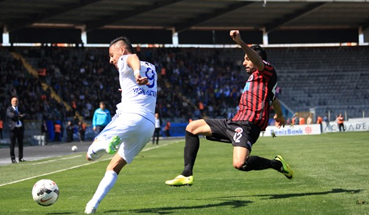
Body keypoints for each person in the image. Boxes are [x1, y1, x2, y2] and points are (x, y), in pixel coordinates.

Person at [165, 30, 293, 187]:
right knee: (192, 127)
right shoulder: (257, 81)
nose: (244, 63)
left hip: (248, 125)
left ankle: (277, 164)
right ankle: (187, 173)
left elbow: (258, 63)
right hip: (234, 121)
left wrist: (240, 42)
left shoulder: (267, 70)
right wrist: (279, 115)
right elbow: (274, 100)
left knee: (240, 164)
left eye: (247, 59)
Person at [84, 36, 157, 214]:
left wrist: (137, 73)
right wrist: (131, 83)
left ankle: (104, 144)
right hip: (147, 126)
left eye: (111, 55)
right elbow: (143, 89)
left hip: (129, 116)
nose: (111, 60)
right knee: (114, 166)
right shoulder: (152, 67)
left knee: (90, 155)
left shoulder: (127, 59)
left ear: (122, 50)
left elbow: (132, 59)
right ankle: (92, 205)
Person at [7, 96, 26, 163]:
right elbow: (11, 116)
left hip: (20, 128)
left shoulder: (20, 108)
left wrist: (18, 116)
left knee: (20, 144)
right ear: (11, 102)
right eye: (14, 101)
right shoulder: (9, 109)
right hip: (13, 129)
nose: (15, 102)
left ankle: (21, 157)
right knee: (12, 144)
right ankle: (13, 158)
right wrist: (18, 116)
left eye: (16, 101)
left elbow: (24, 115)